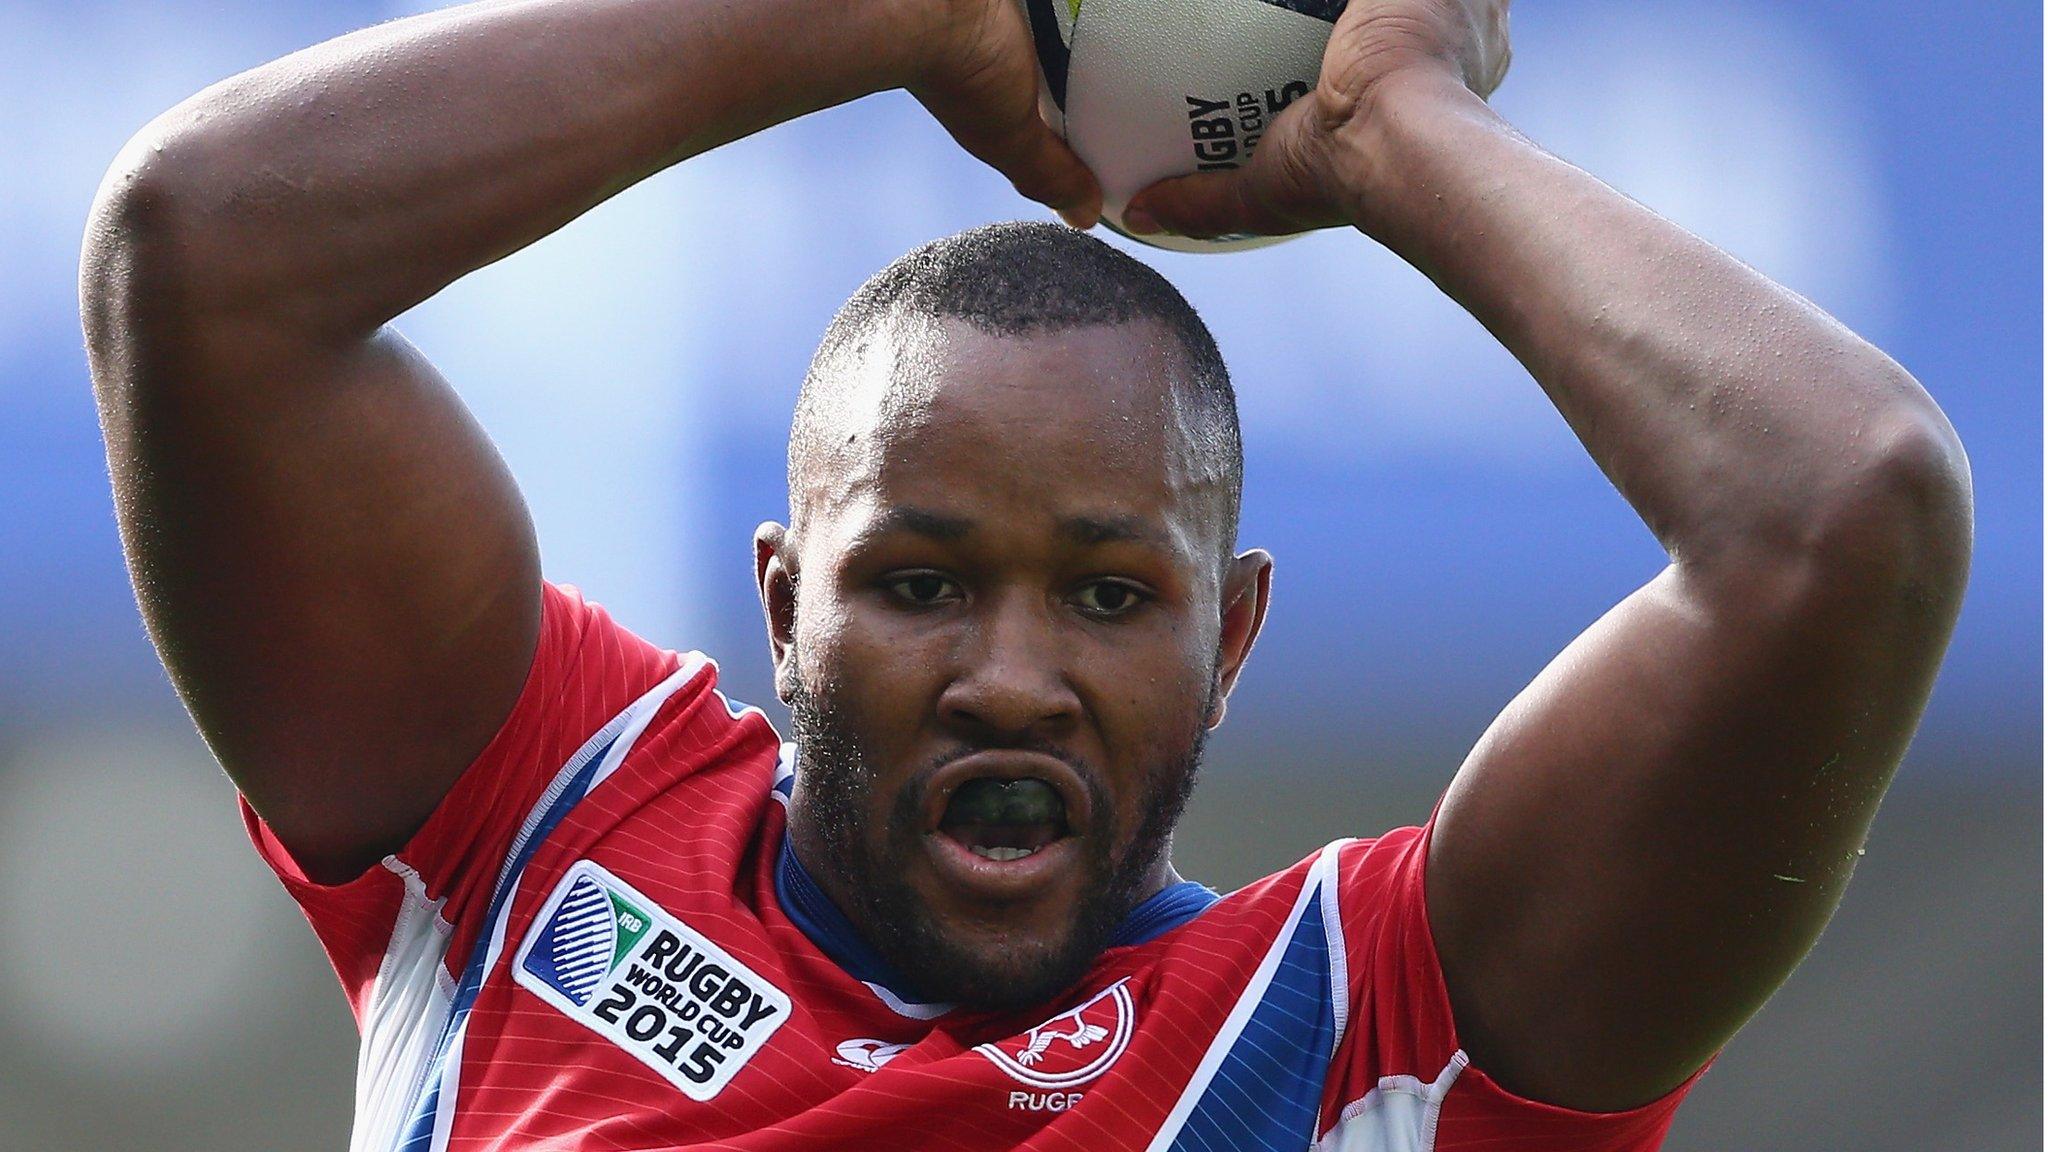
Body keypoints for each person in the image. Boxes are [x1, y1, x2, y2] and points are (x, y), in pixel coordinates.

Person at [79, 0, 1971, 1147]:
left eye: (1108, 594)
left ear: (1230, 642)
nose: (1005, 673)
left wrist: (1400, 131)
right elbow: (204, 255)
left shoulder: (1355, 1040)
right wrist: (885, 21)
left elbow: (1845, 509)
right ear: (780, 608)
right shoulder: (537, 831)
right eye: (913, 582)